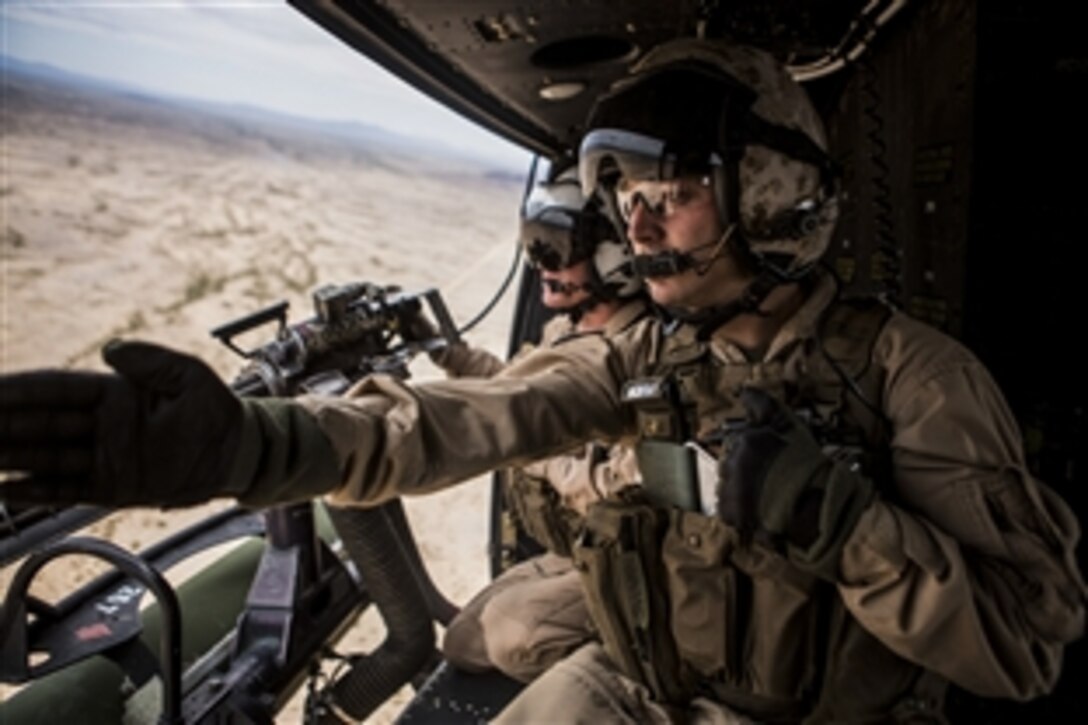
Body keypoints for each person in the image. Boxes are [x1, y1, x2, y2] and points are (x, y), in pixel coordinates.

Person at [2, 37, 1085, 723]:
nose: (635, 220)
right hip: (638, 684)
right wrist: (255, 445)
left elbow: (1021, 647)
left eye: (666, 187)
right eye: (623, 195)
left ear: (767, 196)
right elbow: (463, 418)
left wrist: (845, 527)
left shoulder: (916, 377)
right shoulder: (640, 352)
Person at [420, 165, 647, 682]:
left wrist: (535, 450)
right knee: (462, 643)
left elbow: (626, 484)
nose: (541, 264)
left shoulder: (641, 349)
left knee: (514, 639)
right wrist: (447, 352)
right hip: (574, 550)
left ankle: (630, 683)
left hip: (629, 558)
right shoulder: (565, 331)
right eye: (535, 243)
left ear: (615, 255)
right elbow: (514, 391)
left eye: (558, 247)